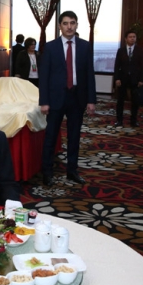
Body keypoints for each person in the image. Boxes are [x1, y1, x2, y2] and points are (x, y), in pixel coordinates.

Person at [39, 11, 96, 187]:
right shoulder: (50, 47)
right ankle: (47, 173)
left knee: (74, 137)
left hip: (77, 98)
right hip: (55, 98)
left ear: (77, 25)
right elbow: (44, 76)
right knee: (51, 137)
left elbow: (89, 74)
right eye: (65, 23)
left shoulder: (85, 46)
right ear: (60, 26)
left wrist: (91, 100)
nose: (69, 26)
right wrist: (44, 101)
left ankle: (72, 171)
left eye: (72, 23)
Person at [113, 30, 143, 127]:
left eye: (134, 37)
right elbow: (117, 66)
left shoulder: (140, 50)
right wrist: (117, 78)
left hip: (135, 79)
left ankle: (133, 121)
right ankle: (119, 120)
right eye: (130, 37)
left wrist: (142, 80)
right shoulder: (121, 50)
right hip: (122, 79)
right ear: (126, 39)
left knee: (135, 101)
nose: (132, 39)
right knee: (120, 101)